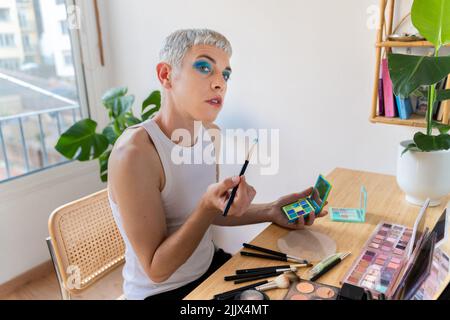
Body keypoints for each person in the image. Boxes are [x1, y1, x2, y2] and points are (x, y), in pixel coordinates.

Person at [107, 29, 328, 300]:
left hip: (208, 269)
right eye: (204, 67)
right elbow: (156, 269)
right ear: (166, 75)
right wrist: (206, 206)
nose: (219, 83)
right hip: (163, 292)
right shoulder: (135, 154)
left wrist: (272, 210)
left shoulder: (209, 133)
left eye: (225, 74)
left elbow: (210, 211)